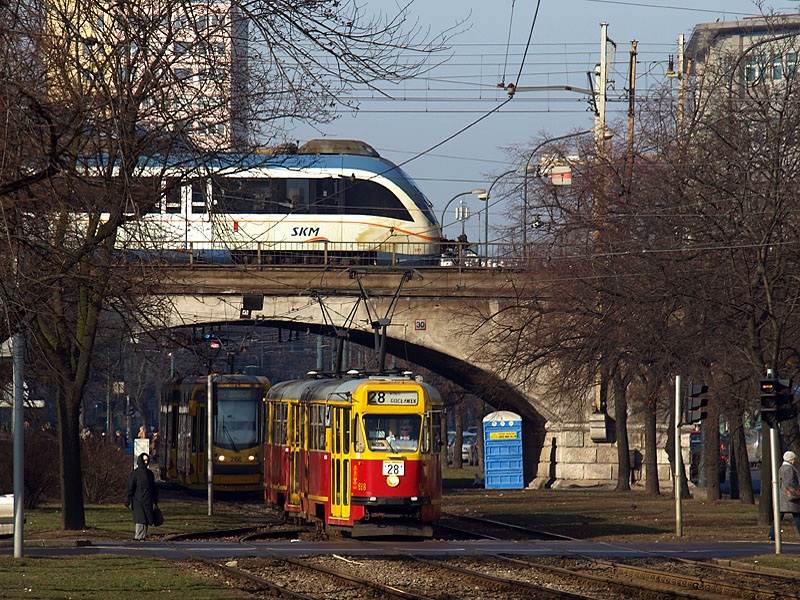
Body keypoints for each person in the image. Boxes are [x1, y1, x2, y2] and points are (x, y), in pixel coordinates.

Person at [125, 453, 159, 541]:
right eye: (144, 461)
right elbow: (130, 487)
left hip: (147, 500)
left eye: (147, 460)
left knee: (146, 518)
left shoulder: (149, 474)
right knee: (140, 518)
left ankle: (142, 536)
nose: (146, 462)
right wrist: (127, 499)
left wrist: (155, 499)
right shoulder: (135, 473)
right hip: (137, 500)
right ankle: (139, 536)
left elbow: (153, 487)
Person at [769, 450, 800, 540]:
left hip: (783, 497)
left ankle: (772, 534)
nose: (794, 461)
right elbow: (790, 482)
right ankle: (772, 534)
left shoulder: (781, 468)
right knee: (797, 515)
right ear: (790, 459)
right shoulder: (789, 469)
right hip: (789, 497)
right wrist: (797, 488)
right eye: (793, 459)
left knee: (779, 516)